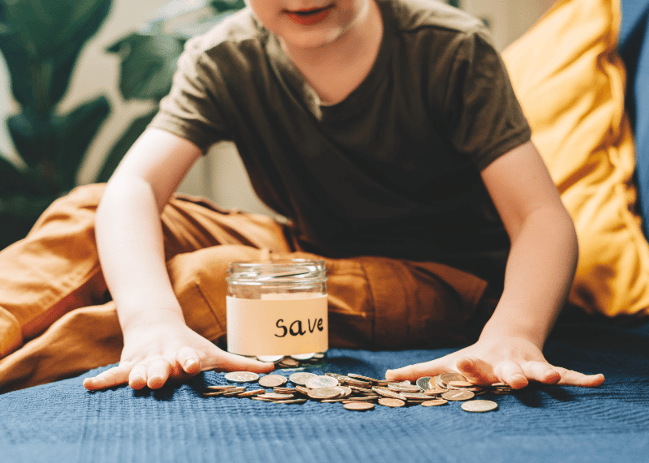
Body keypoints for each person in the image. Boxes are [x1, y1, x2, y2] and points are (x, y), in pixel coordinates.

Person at [0, 0, 605, 393]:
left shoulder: (450, 48)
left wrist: (515, 332)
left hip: (443, 276)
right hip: (312, 242)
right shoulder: (223, 56)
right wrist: (149, 320)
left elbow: (538, 216)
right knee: (89, 207)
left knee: (221, 284)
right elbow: (135, 186)